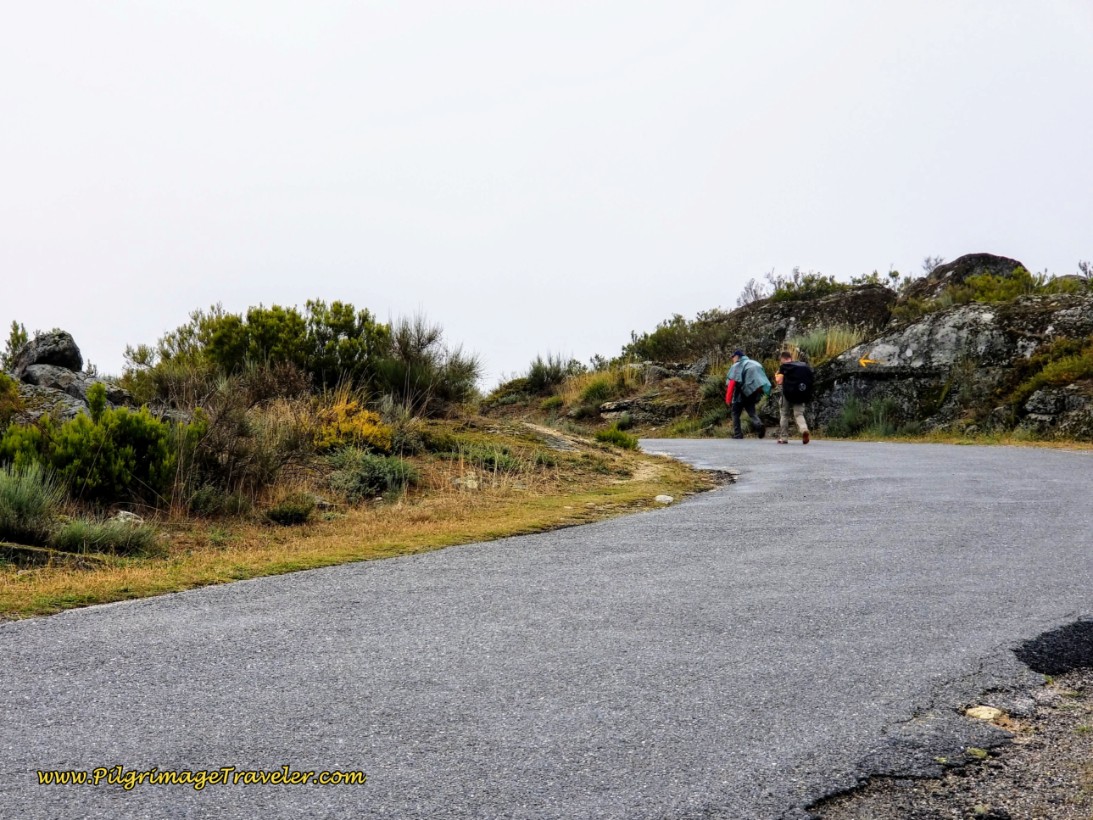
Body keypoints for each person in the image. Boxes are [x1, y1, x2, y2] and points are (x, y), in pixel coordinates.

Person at [725, 349, 770, 439]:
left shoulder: (737, 366)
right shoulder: (754, 363)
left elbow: (732, 383)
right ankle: (759, 424)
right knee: (751, 412)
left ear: (737, 356)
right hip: (752, 392)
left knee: (735, 413)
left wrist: (728, 398)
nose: (732, 359)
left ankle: (738, 434)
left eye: (733, 357)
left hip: (740, 394)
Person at [775, 350, 813, 444]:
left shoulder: (784, 367)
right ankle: (804, 429)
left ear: (782, 359)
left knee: (784, 414)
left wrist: (776, 374)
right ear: (791, 358)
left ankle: (783, 438)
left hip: (787, 394)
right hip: (801, 392)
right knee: (799, 414)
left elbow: (779, 381)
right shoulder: (802, 366)